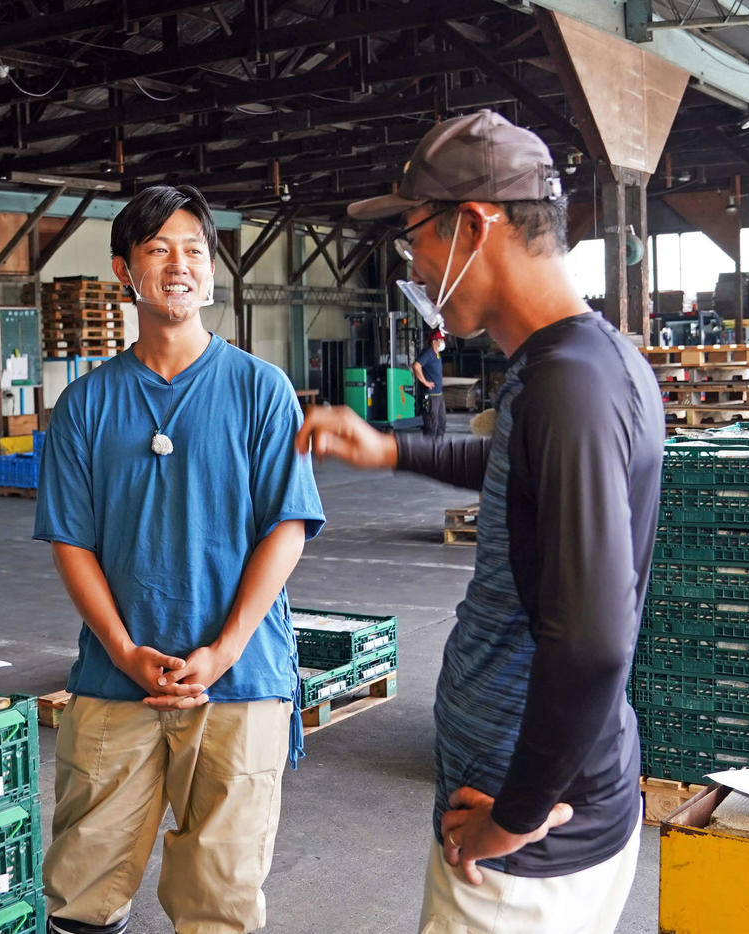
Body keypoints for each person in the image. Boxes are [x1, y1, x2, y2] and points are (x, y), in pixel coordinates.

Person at [296, 110, 664, 933]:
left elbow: (593, 641)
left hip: (521, 852)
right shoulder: (580, 363)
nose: (419, 268)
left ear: (472, 224)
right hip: (534, 818)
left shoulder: (571, 386)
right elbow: (515, 466)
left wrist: (517, 816)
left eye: (415, 240)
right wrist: (392, 449)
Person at [35, 185, 325, 934]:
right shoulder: (86, 404)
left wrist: (223, 651)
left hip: (241, 683)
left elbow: (286, 528)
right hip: (115, 681)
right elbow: (71, 542)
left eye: (194, 249)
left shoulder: (260, 389)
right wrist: (125, 652)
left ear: (212, 268)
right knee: (82, 886)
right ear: (124, 270)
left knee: (220, 899)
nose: (179, 264)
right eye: (158, 248)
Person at [412, 329, 448, 439]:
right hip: (431, 395)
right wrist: (425, 382)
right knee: (431, 424)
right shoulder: (428, 353)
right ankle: (428, 448)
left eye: (443, 340)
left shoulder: (437, 355)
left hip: (439, 394)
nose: (443, 342)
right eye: (440, 340)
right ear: (434, 341)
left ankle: (439, 447)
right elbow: (416, 366)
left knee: (441, 423)